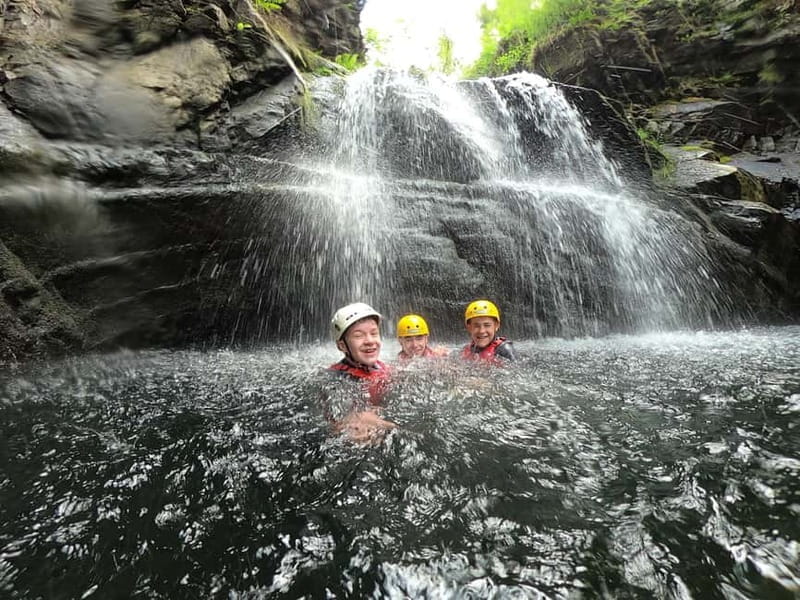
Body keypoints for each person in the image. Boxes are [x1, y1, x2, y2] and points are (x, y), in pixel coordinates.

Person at [327, 302, 396, 442]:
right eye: (358, 336)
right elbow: (341, 420)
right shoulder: (337, 377)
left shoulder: (382, 368)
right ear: (342, 346)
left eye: (374, 333)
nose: (370, 341)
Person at [461, 299, 517, 365]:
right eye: (476, 326)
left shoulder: (504, 350)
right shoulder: (468, 349)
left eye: (487, 325)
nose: (481, 331)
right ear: (469, 327)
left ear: (496, 325)